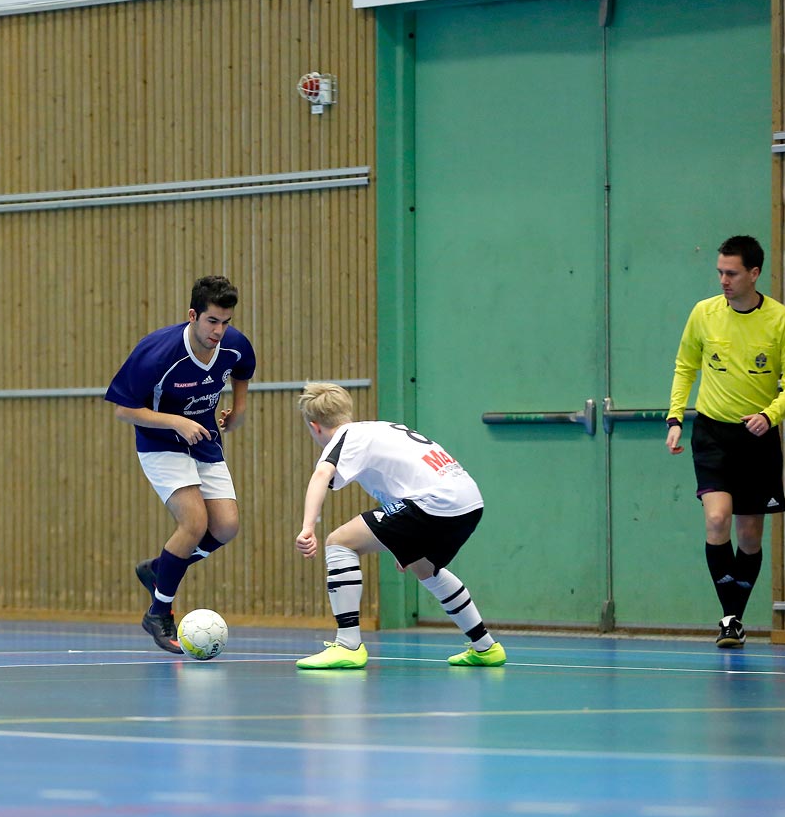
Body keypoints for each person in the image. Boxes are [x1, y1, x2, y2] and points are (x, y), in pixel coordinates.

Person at [293, 382, 504, 670]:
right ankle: (485, 647)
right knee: (423, 567)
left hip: (435, 502)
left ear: (314, 427)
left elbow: (321, 475)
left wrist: (307, 528)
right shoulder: (381, 428)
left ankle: (348, 645)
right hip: (468, 500)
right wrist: (402, 543)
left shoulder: (346, 437)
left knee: (339, 541)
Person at [666, 235, 785, 649]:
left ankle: (734, 618)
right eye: (719, 273)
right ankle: (729, 617)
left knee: (749, 538)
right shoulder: (703, 314)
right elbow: (685, 365)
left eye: (731, 273)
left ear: (754, 274)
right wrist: (675, 417)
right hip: (712, 432)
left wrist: (770, 415)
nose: (723, 280)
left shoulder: (779, 320)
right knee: (716, 519)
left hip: (756, 436)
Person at [105, 275, 256, 654]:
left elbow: (243, 370)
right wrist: (176, 421)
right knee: (194, 522)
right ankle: (158, 612)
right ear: (193, 315)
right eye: (212, 322)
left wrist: (238, 411)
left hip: (204, 441)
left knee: (226, 526)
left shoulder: (233, 345)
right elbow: (124, 410)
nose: (219, 331)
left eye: (226, 322)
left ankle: (160, 569)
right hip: (159, 441)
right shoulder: (156, 352)